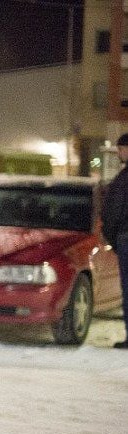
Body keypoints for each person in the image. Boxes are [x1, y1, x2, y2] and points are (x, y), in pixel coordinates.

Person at [101, 133, 128, 349]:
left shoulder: (124, 178)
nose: (119, 153)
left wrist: (113, 237)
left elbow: (114, 211)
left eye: (121, 149)